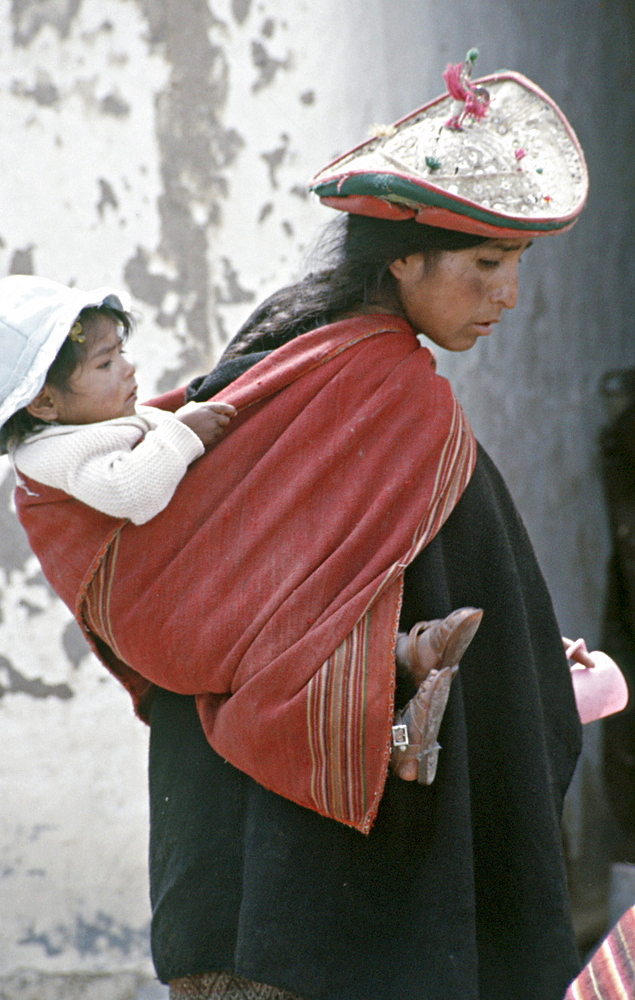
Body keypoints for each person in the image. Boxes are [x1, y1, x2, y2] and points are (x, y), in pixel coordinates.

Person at [0, 56, 617, 1000]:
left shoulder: (275, 362)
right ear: (402, 260)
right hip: (350, 871)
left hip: (232, 865)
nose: (508, 297)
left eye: (517, 267)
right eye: (487, 264)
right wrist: (530, 679)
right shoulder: (385, 396)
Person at [0, 279, 236, 525]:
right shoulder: (46, 453)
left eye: (120, 353)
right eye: (105, 364)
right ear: (46, 402)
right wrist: (184, 432)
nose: (129, 369)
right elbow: (130, 494)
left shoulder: (100, 419)